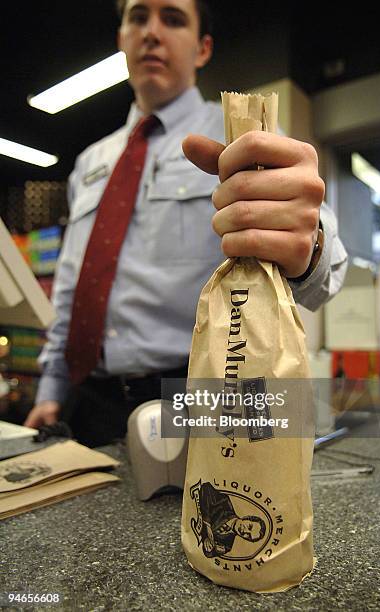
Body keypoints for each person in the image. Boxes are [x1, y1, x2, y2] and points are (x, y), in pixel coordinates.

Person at [25, 0, 347, 446]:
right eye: (138, 18)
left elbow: (331, 274)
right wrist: (51, 390)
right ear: (121, 38)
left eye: (173, 19)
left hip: (192, 400)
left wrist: (308, 244)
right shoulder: (90, 163)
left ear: (203, 48)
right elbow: (71, 284)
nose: (151, 32)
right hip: (89, 403)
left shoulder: (241, 135)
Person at [198, 481, 266, 558]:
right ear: (246, 518)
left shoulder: (227, 545)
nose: (245, 531)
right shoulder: (225, 502)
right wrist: (207, 525)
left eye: (248, 536)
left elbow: (208, 554)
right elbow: (205, 487)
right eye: (249, 526)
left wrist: (210, 548)